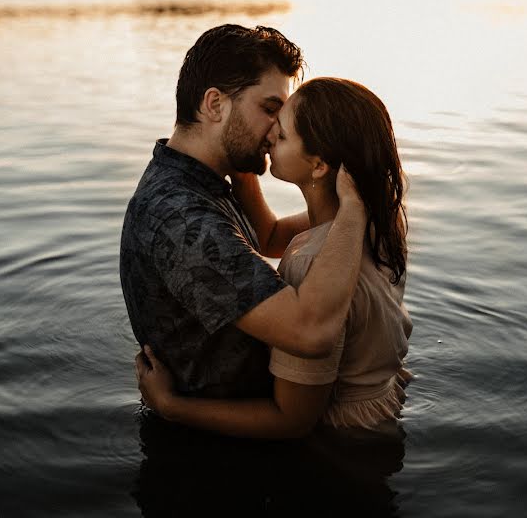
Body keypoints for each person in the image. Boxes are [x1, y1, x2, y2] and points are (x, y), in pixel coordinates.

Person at [136, 77, 412, 438]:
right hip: (385, 408)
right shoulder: (378, 221)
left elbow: (290, 420)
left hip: (343, 442)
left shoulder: (312, 267)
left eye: (281, 137)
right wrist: (240, 160)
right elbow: (268, 236)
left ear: (317, 166)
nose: (269, 138)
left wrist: (171, 406)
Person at [120, 25, 369, 402]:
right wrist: (354, 211)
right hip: (229, 447)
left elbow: (268, 236)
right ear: (215, 105)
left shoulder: (202, 178)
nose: (278, 130)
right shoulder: (180, 216)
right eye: (270, 109)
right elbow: (310, 333)